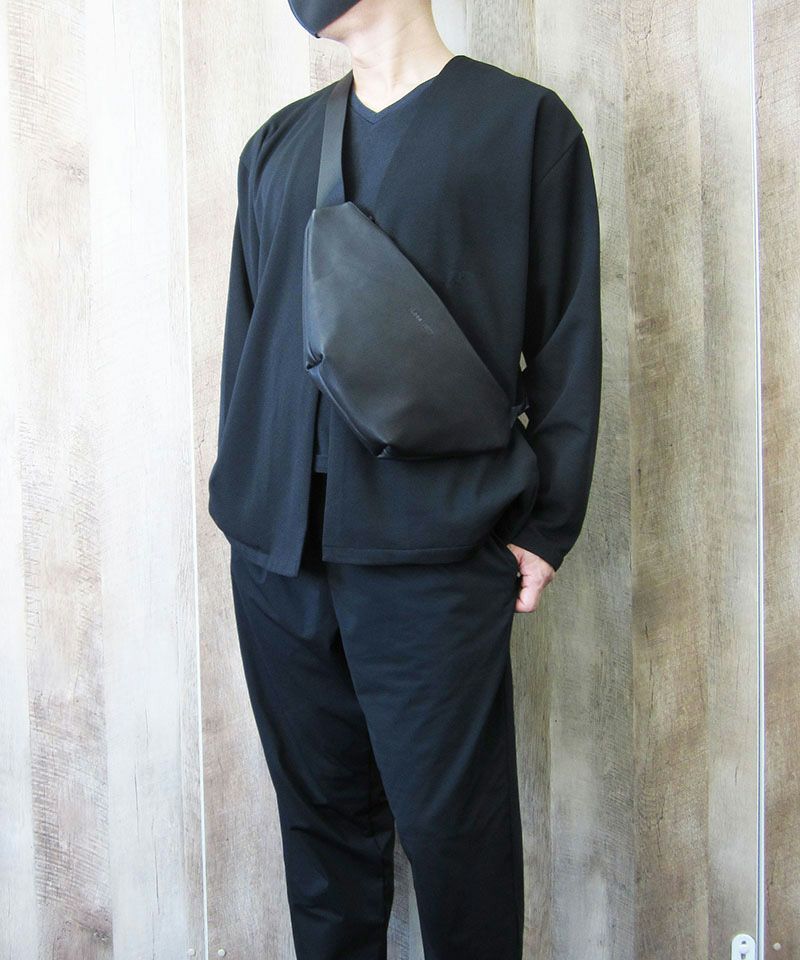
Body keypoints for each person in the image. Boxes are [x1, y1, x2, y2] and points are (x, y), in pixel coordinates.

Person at [208, 1, 602, 957]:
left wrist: (546, 528)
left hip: (435, 554)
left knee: (459, 849)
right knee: (321, 846)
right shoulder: (277, 145)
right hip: (280, 562)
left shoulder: (524, 127)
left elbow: (565, 341)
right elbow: (248, 345)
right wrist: (248, 508)